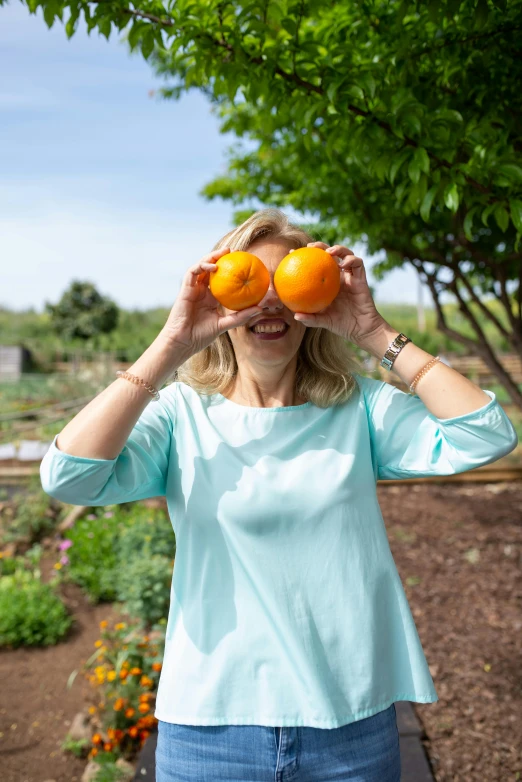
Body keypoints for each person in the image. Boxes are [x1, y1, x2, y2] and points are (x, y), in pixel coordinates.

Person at [40, 208, 518, 782]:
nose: (268, 303)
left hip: (351, 728)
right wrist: (170, 345)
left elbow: (486, 434)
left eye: (285, 285)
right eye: (250, 286)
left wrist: (374, 333)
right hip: (210, 731)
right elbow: (68, 475)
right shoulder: (180, 416)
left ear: (313, 302)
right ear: (219, 297)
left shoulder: (359, 408)